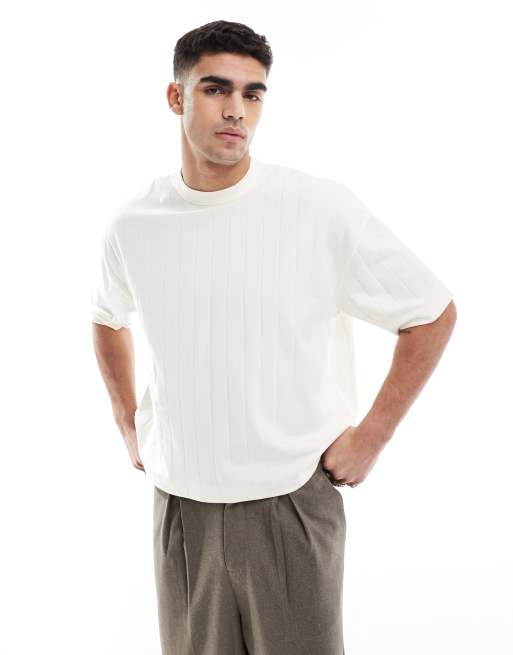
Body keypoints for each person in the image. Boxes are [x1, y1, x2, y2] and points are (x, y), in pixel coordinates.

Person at [91, 19, 457, 655]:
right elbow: (106, 316)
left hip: (290, 504)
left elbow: (431, 312)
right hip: (181, 509)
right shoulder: (135, 224)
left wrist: (372, 437)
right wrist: (128, 420)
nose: (236, 110)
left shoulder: (316, 209)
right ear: (177, 97)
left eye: (252, 93)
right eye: (215, 89)